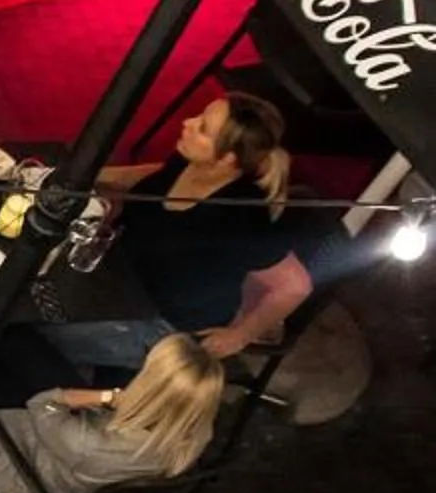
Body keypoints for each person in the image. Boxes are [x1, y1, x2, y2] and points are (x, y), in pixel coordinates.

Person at [35, 93, 325, 372]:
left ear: (227, 159)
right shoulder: (190, 160)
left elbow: (295, 285)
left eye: (202, 128)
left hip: (160, 323)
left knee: (38, 333)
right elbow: (154, 175)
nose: (187, 122)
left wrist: (239, 336)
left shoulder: (241, 220)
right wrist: (81, 175)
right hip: (121, 278)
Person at [0, 333, 225, 493]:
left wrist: (110, 396)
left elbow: (43, 404)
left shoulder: (89, 443)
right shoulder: (198, 433)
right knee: (22, 346)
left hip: (28, 467)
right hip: (84, 459)